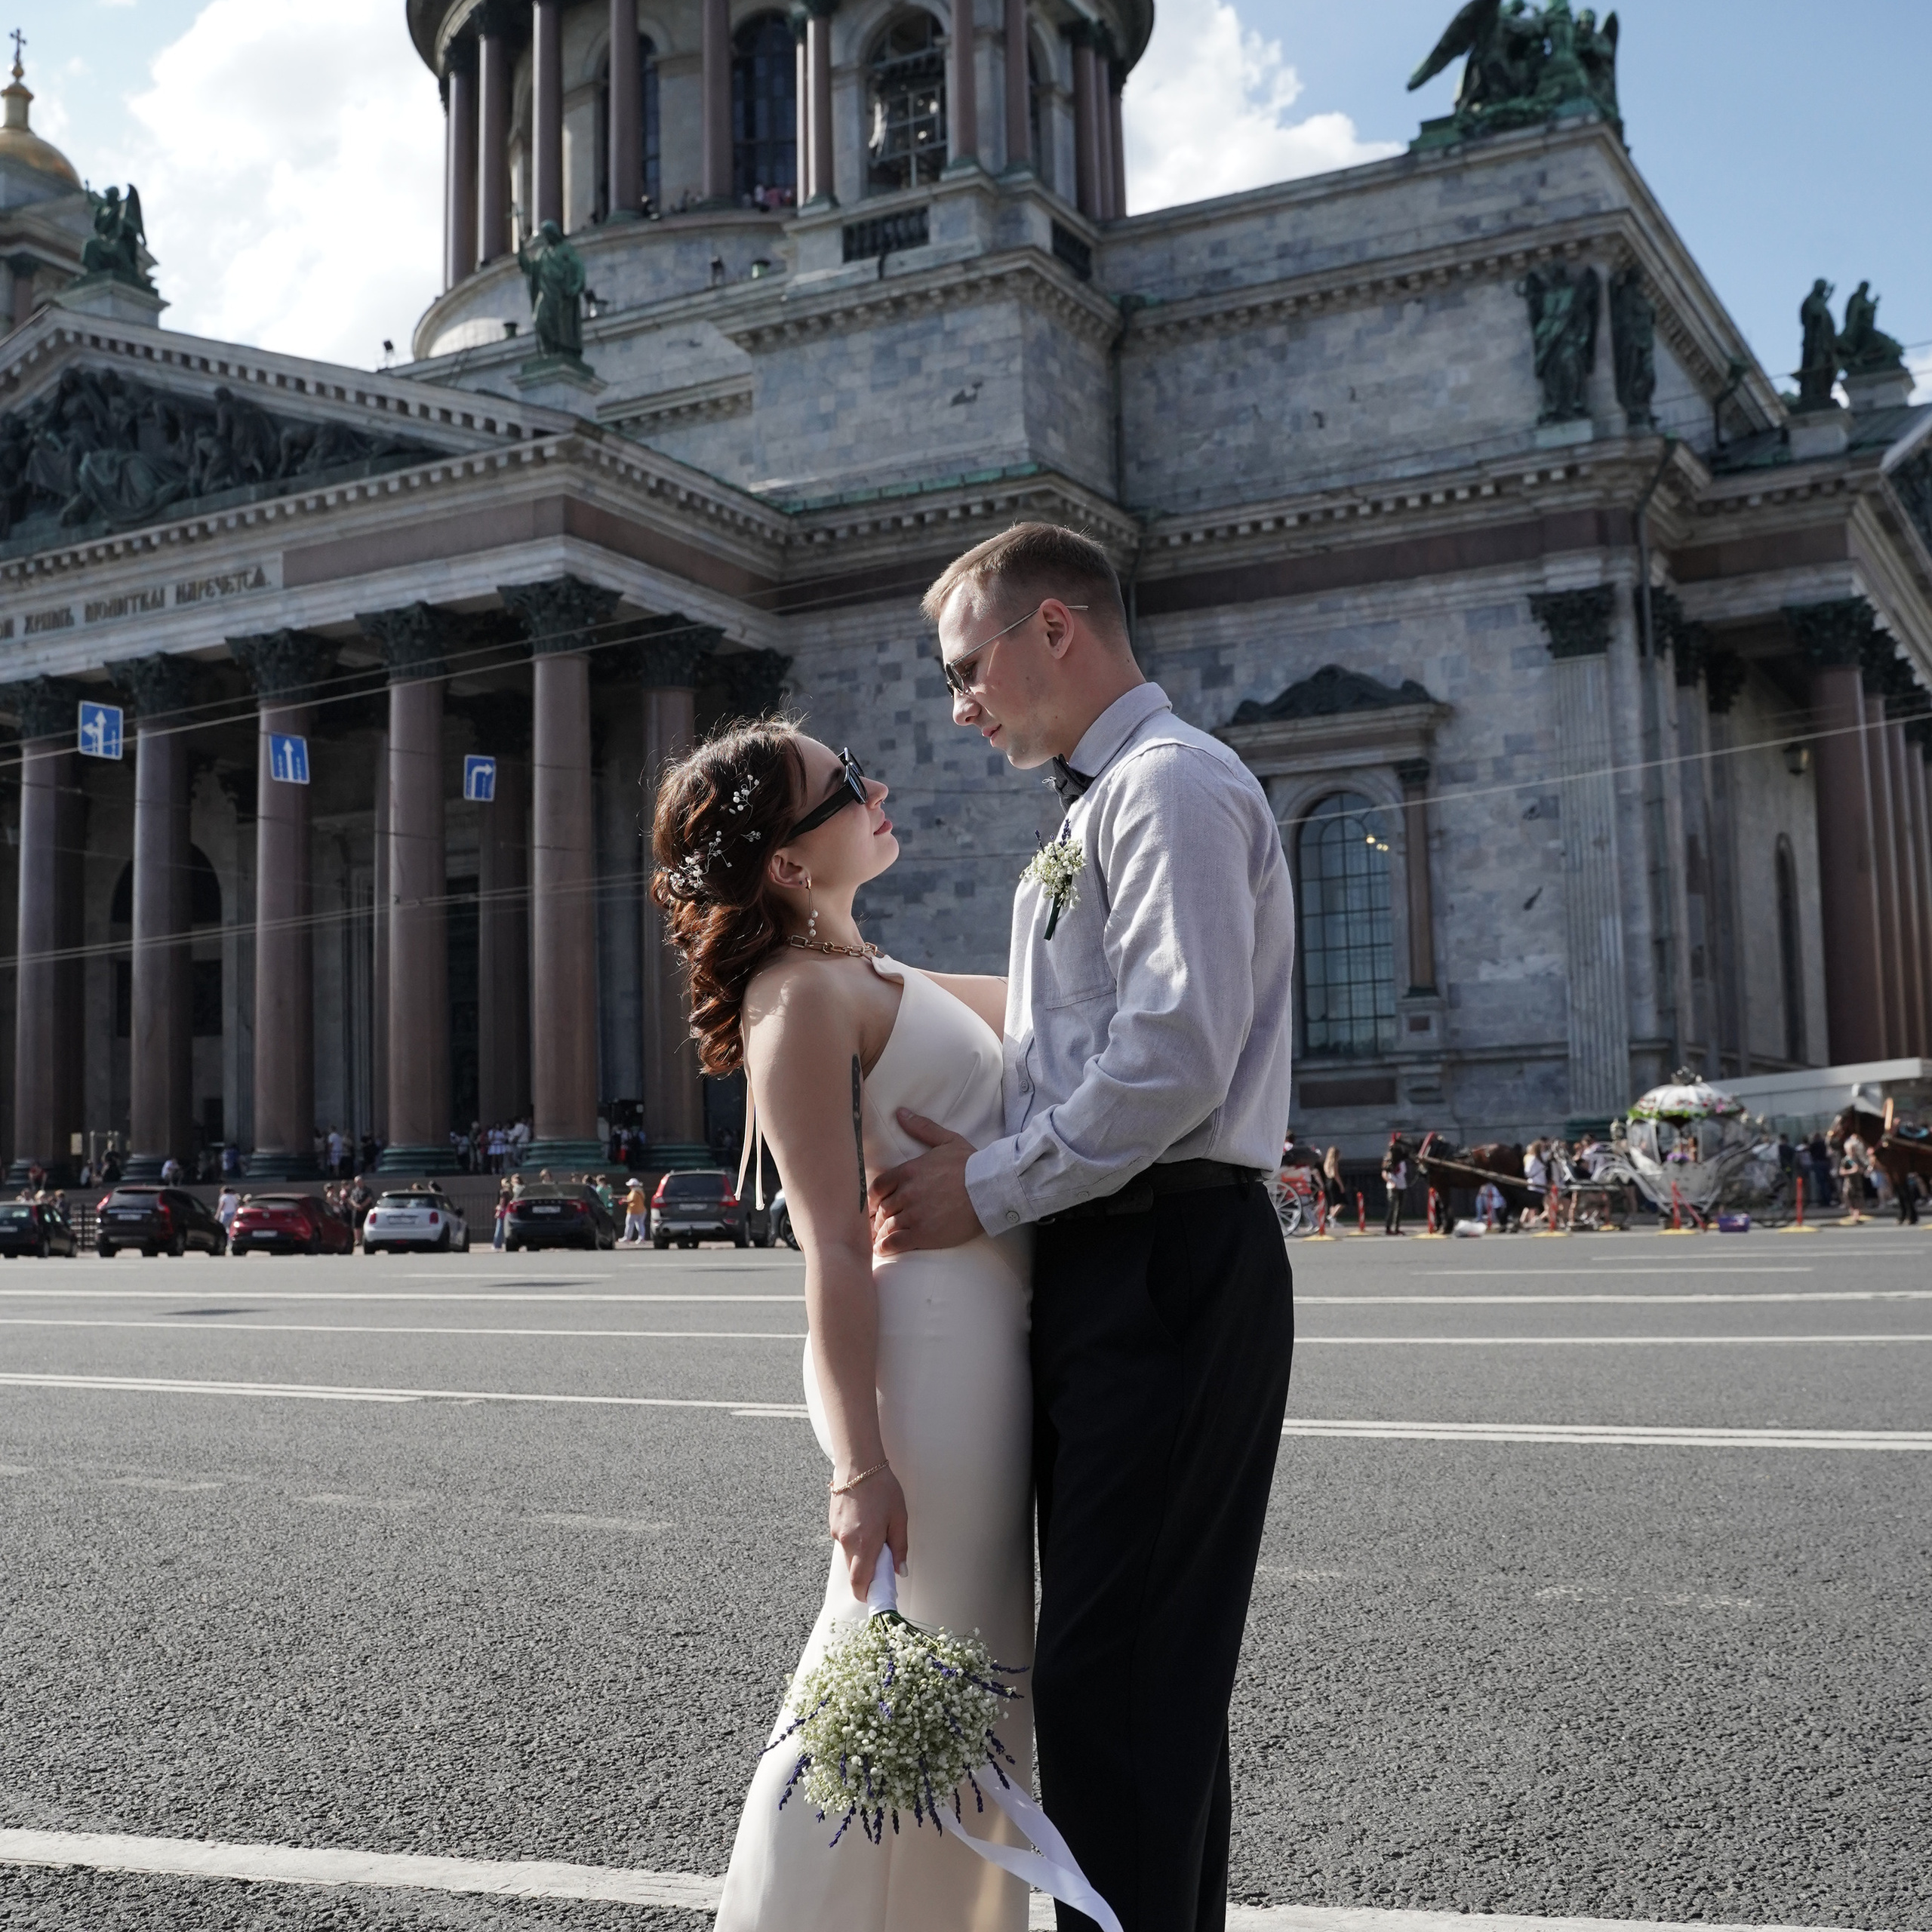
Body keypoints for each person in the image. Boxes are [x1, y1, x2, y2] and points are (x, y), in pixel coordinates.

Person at [869, 524, 1296, 1931]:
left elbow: (1175, 1058)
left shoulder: (1168, 788)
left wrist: (983, 1188)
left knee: (1121, 1685)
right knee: (1130, 1685)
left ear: (1053, 628)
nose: (958, 704)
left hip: (1168, 1252)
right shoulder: (1093, 809)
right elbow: (1065, 1042)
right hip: (1120, 1254)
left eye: (964, 666)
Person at [660, 720, 1035, 1930]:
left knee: (973, 1685)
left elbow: (1060, 1008)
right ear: (785, 862)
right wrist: (857, 1468)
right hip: (928, 1377)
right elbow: (826, 1248)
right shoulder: (795, 998)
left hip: (992, 1353)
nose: (876, 788)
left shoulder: (879, 976)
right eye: (840, 787)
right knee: (905, 1666)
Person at [1381, 1133, 1411, 1235]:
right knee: (1392, 1207)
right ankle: (1388, 1228)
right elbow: (1384, 1173)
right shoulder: (1388, 1157)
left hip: (1402, 1184)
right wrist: (1391, 1182)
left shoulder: (1402, 1157)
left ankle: (1397, 1228)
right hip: (1392, 1186)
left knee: (1400, 1209)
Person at [620, 1175, 649, 1246]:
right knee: (640, 1225)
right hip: (642, 1210)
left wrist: (624, 1201)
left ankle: (627, 1238)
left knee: (629, 1225)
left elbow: (631, 1200)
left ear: (632, 1186)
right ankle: (642, 1238)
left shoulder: (634, 1192)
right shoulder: (641, 1191)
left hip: (633, 1211)